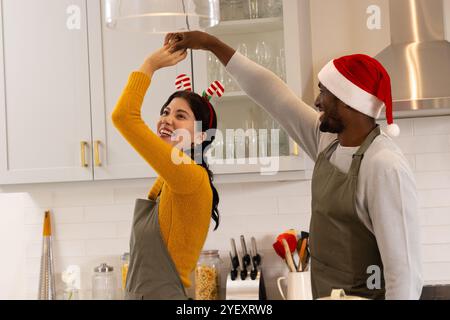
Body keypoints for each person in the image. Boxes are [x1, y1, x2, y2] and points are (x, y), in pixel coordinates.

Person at [167, 31, 423, 300]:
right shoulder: (328, 142)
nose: (316, 101)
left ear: (349, 100)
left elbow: (404, 275)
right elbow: (272, 93)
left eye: (324, 91)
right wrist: (211, 44)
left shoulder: (384, 166)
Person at [111, 44, 220, 300]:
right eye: (165, 112)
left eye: (180, 116)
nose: (167, 119)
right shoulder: (168, 179)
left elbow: (124, 116)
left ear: (200, 137)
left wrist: (150, 65)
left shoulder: (190, 175)